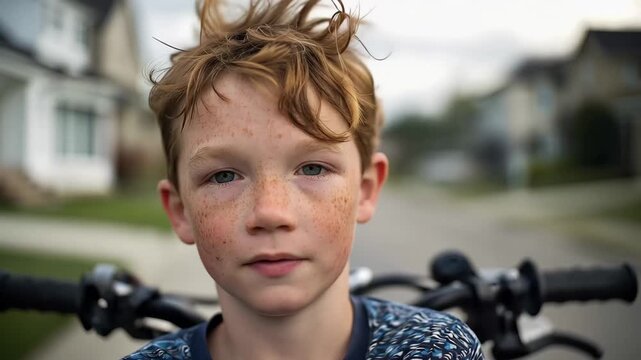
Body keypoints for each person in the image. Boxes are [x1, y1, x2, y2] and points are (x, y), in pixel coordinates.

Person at [124, 0, 485, 358]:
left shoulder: (440, 349)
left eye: (312, 168)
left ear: (365, 189)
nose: (270, 212)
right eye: (224, 176)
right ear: (180, 211)